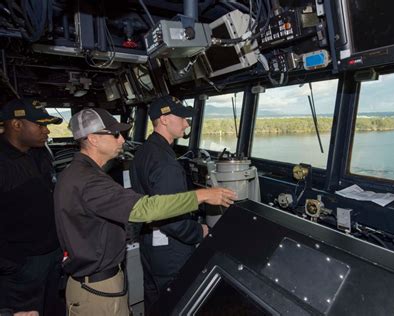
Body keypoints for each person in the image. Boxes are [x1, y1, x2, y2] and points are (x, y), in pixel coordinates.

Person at [54, 107, 236, 316]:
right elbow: (144, 208)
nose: (122, 140)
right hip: (98, 289)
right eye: (115, 134)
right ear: (93, 139)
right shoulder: (89, 181)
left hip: (97, 279)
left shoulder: (78, 173)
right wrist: (202, 196)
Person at [130, 95, 205, 313]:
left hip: (149, 246)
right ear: (163, 120)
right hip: (171, 254)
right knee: (177, 305)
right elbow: (172, 221)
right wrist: (199, 230)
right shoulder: (165, 163)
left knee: (155, 303)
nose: (186, 123)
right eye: (181, 117)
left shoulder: (144, 152)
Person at [0, 99, 65, 316]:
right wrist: (11, 264)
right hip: (21, 264)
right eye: (40, 125)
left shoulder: (40, 153)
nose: (46, 130)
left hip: (52, 255)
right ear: (16, 124)